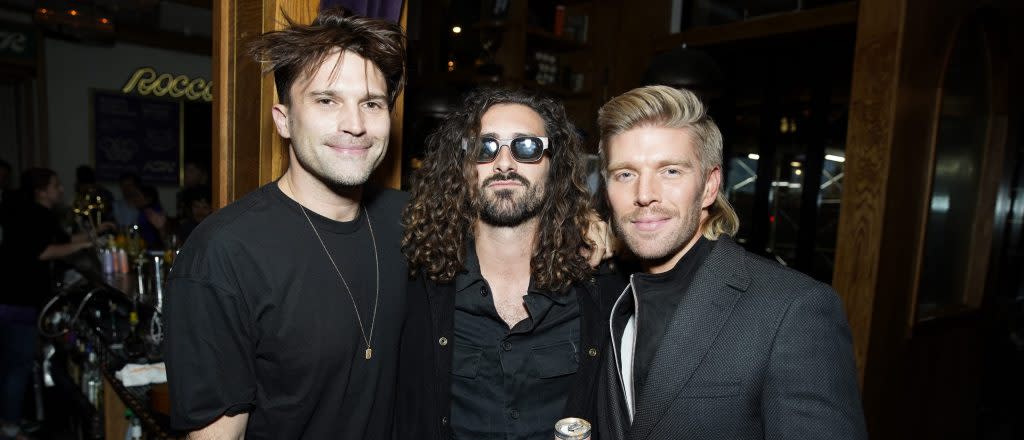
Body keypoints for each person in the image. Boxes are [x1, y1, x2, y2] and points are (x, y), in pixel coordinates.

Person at [163, 7, 407, 439]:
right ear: (284, 120)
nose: (354, 125)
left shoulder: (413, 222)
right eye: (326, 100)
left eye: (371, 104)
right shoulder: (224, 255)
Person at [594, 85, 867, 439]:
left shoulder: (794, 308)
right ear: (607, 189)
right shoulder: (604, 289)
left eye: (671, 171)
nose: (644, 194)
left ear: (709, 186)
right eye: (625, 174)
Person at [397, 87, 624, 439]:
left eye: (527, 147)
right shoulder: (416, 280)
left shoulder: (602, 285)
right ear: (461, 166)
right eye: (484, 148)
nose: (504, 164)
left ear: (555, 167)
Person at [0, 168, 94, 440]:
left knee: (12, 364)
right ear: (41, 190)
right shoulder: (34, 215)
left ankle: (11, 418)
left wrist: (92, 234)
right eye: (55, 185)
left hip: (14, 299)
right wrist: (84, 246)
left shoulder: (34, 213)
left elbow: (62, 240)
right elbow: (43, 251)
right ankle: (10, 427)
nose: (61, 189)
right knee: (17, 365)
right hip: (18, 301)